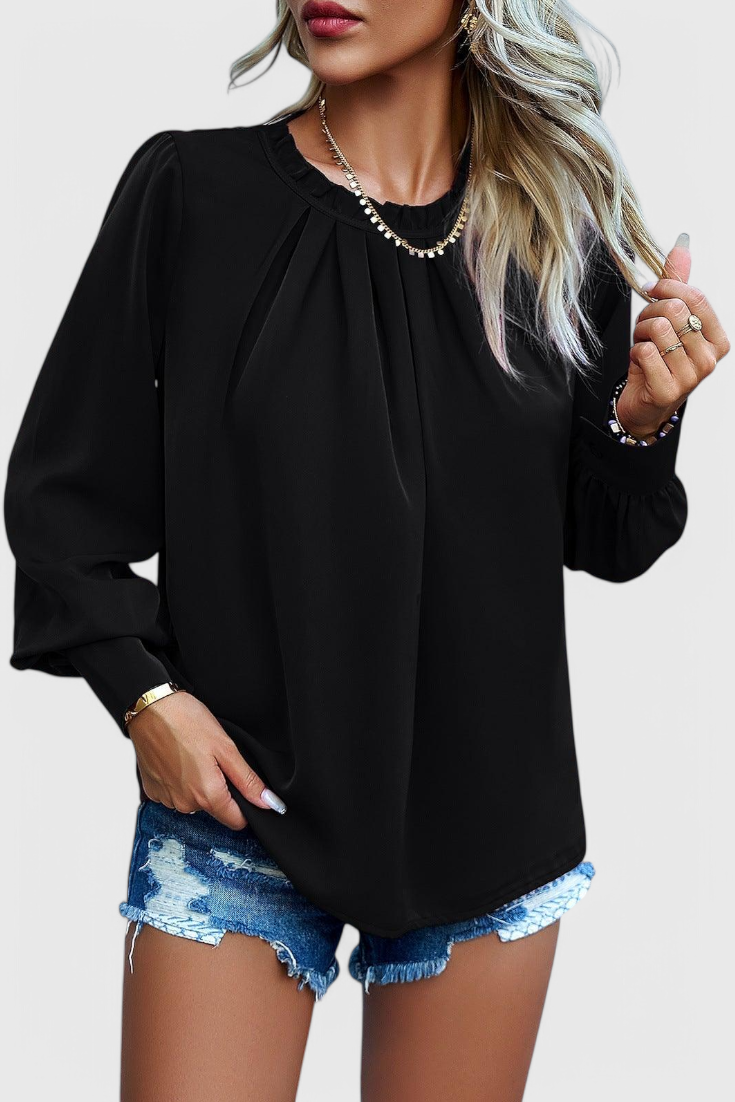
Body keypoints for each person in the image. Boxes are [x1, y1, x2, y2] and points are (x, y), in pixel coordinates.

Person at [4, 2, 729, 1100]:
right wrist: (145, 701)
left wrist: (640, 420)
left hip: (489, 829)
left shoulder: (552, 231)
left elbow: (602, 542)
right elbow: (63, 502)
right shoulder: (193, 193)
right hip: (239, 814)